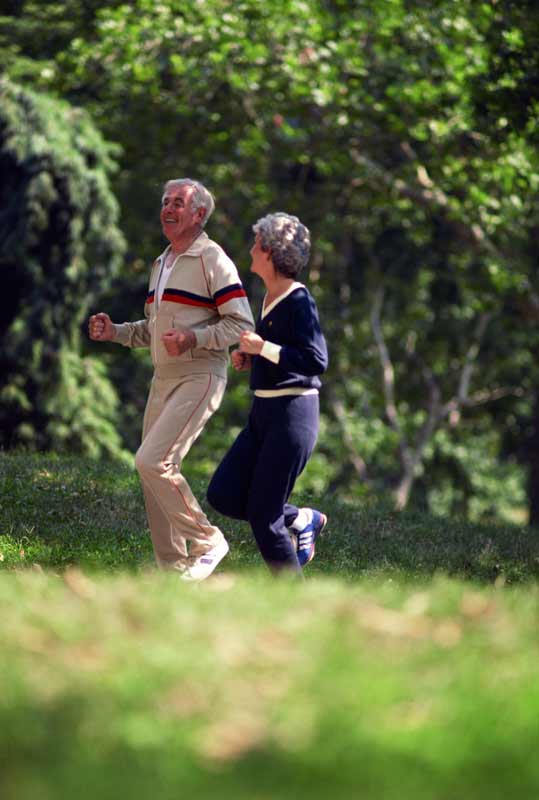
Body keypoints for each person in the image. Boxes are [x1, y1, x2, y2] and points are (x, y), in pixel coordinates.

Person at [88, 178, 254, 581]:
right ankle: (174, 575)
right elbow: (154, 329)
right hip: (163, 378)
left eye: (178, 202)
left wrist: (194, 338)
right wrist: (116, 332)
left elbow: (241, 323)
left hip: (201, 374)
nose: (168, 208)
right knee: (153, 475)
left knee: (152, 460)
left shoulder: (212, 258)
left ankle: (208, 541)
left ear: (199, 214)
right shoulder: (161, 262)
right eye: (166, 201)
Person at [207, 212, 328, 575]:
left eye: (256, 244)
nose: (250, 249)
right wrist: (252, 357)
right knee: (223, 494)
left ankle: (291, 594)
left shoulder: (299, 300)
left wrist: (263, 348)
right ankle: (302, 519)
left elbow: (315, 360)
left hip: (293, 416)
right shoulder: (270, 296)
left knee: (264, 515)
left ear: (271, 253)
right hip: (263, 415)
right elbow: (281, 351)